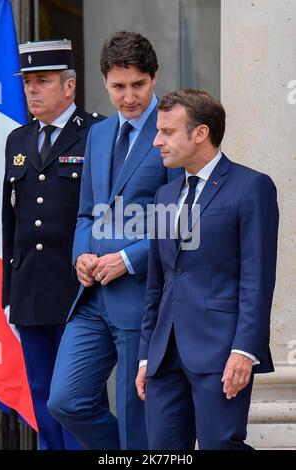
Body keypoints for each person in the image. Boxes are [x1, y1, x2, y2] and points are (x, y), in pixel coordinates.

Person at [47, 31, 183, 450]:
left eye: (138, 85)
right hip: (90, 297)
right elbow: (88, 210)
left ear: (154, 78)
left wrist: (128, 257)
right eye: (118, 86)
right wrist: (81, 255)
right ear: (104, 81)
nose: (129, 97)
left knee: (135, 413)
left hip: (142, 297)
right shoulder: (100, 134)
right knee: (65, 401)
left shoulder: (173, 129)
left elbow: (182, 219)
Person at [136, 89, 279, 450]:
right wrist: (145, 355)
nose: (157, 142)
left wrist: (245, 350)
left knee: (221, 446)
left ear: (200, 134)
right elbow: (159, 282)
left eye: (167, 132)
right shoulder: (164, 196)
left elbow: (257, 279)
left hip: (220, 350)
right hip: (164, 354)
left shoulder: (251, 187)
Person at [1, 39, 104, 450]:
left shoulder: (97, 133)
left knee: (75, 399)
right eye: (27, 82)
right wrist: (9, 290)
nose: (31, 90)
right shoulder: (19, 140)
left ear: (69, 87)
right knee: (42, 396)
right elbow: (12, 218)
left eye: (42, 81)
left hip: (77, 289)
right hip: (29, 287)